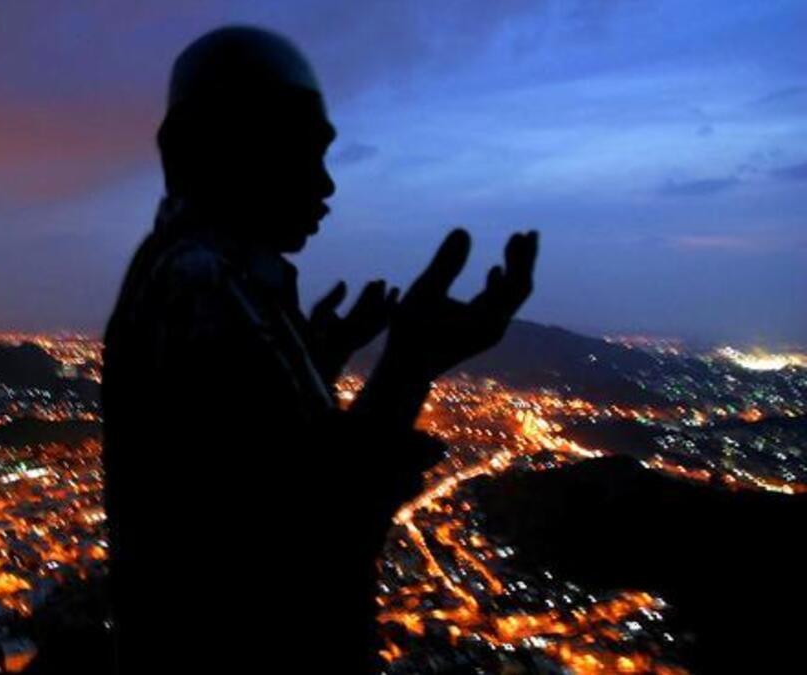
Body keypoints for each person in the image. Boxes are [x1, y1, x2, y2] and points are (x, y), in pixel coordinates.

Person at [102, 26, 538, 674]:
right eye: (304, 150)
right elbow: (317, 537)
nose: (327, 185)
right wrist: (410, 360)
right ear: (234, 146)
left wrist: (312, 367)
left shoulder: (199, 274)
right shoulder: (202, 280)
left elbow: (260, 472)